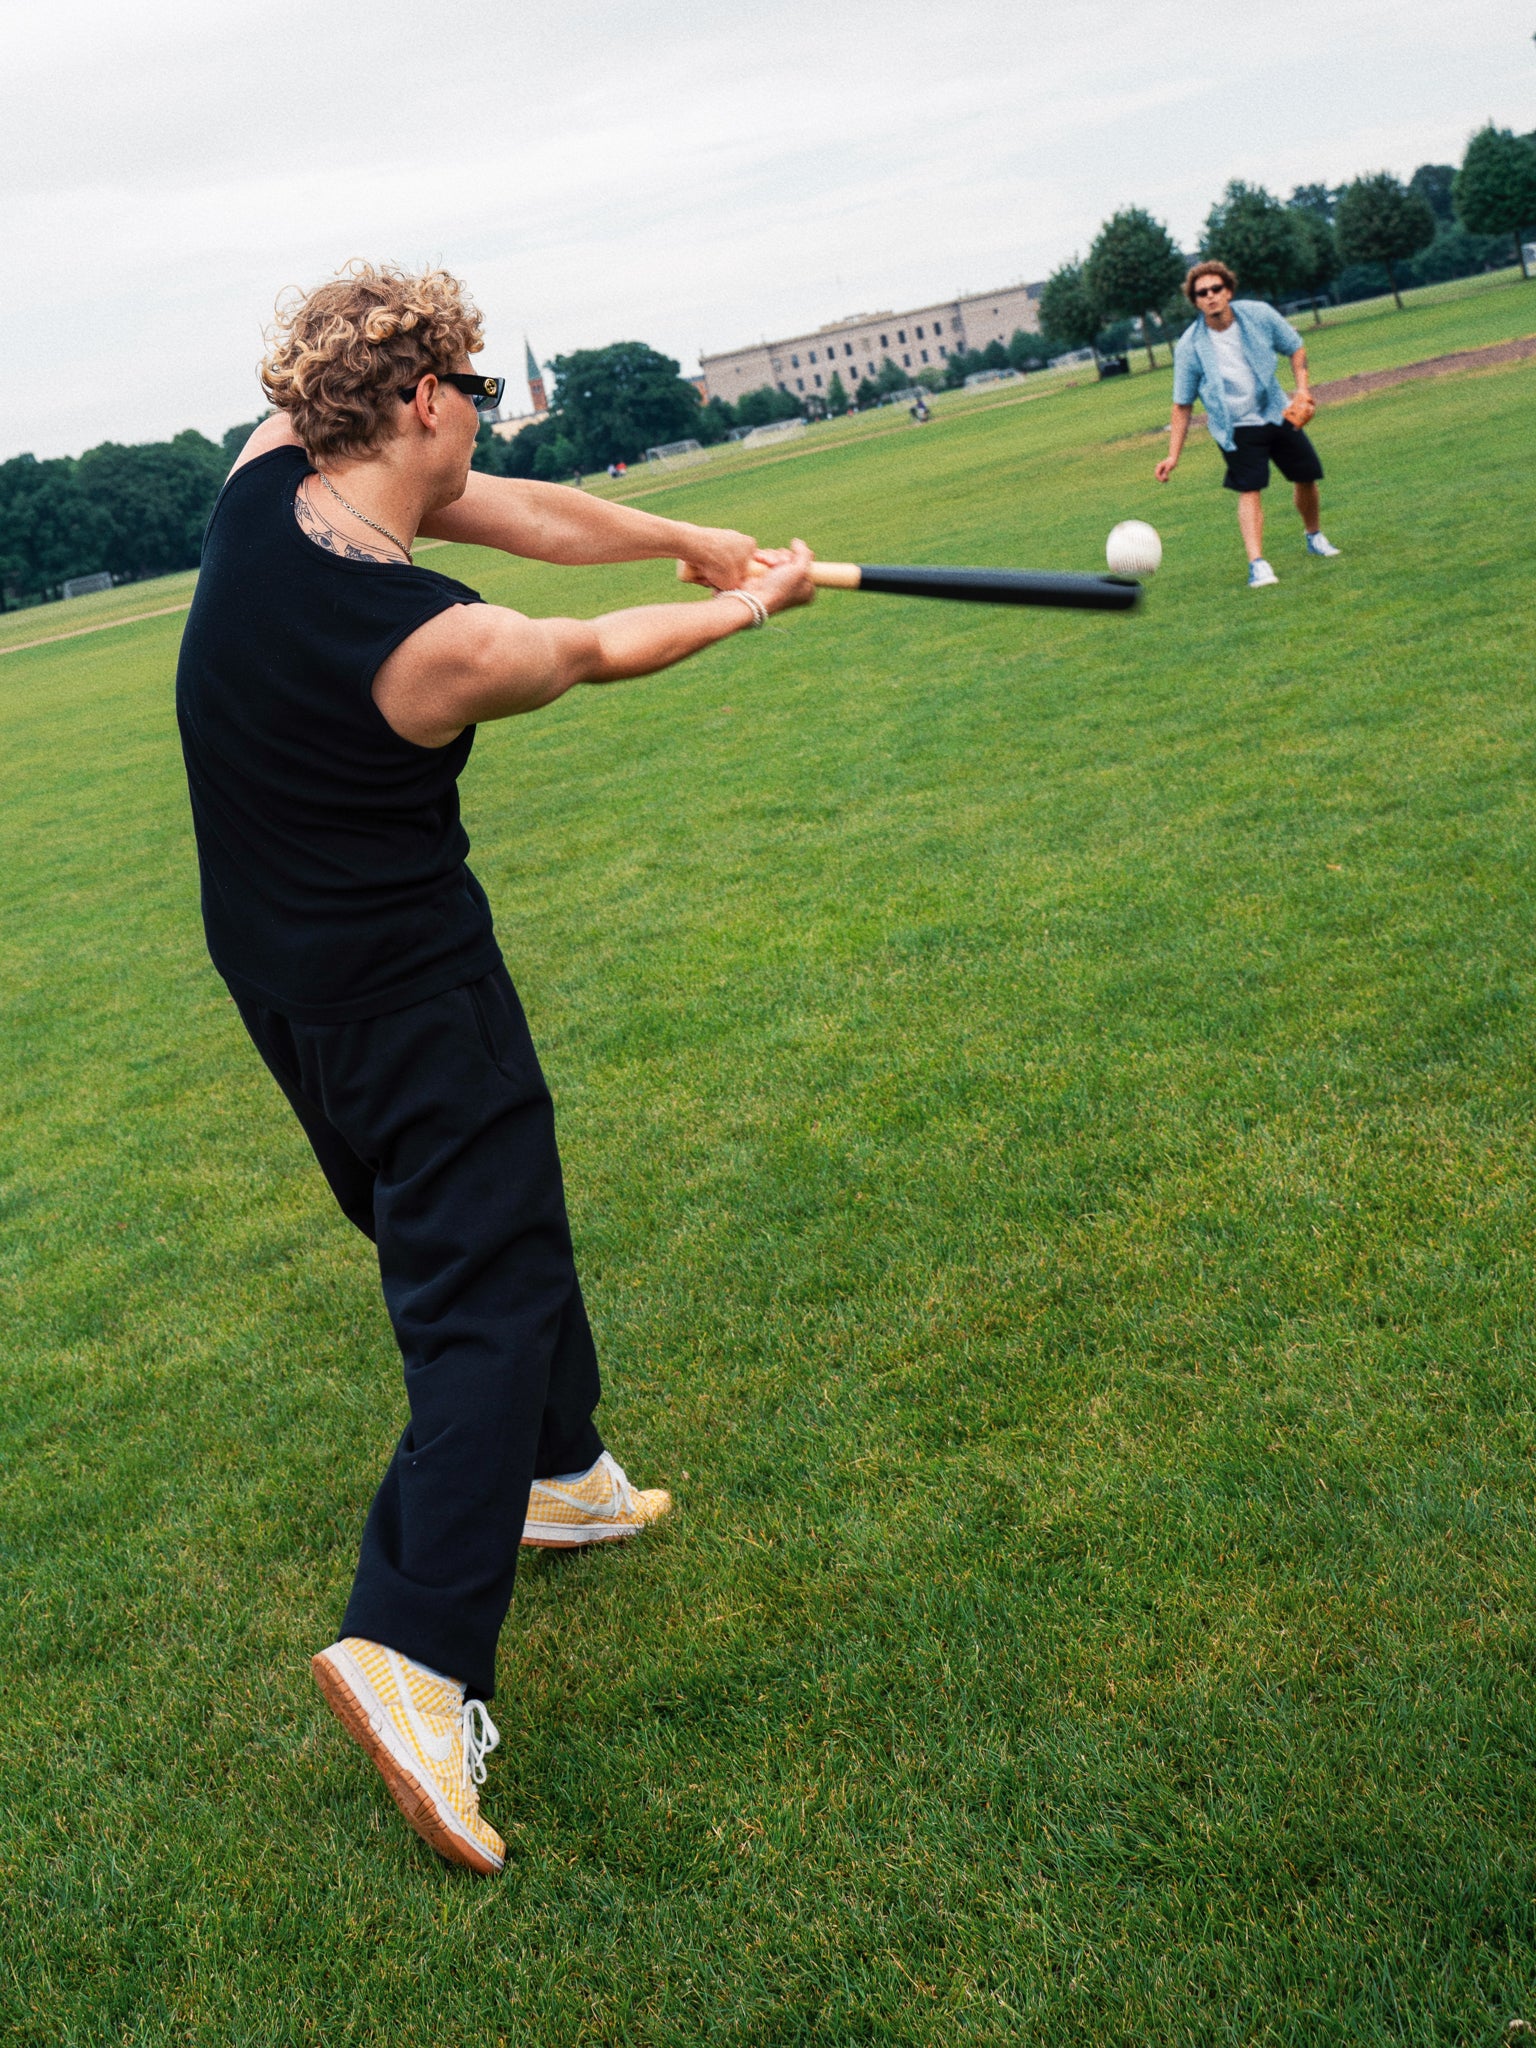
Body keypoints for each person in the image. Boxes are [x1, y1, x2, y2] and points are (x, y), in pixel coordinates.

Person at [175, 263, 815, 1875]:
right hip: (405, 989)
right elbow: (584, 648)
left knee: (476, 1230)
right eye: (465, 379)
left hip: (283, 985)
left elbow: (521, 513)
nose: (478, 403)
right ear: (422, 403)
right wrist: (746, 606)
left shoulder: (267, 479)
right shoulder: (435, 646)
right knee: (483, 1290)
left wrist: (690, 529)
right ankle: (411, 1649)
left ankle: (562, 1473)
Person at [1155, 261, 1341, 588]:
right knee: (1249, 488)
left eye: (1216, 289)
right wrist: (1173, 456)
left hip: (1276, 411)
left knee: (1307, 477)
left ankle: (1314, 536)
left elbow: (1295, 348)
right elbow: (1182, 404)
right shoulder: (1189, 346)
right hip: (1235, 426)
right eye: (1202, 293)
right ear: (1195, 301)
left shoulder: (1258, 315)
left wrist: (1302, 390)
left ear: (1228, 291)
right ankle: (1257, 563)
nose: (1210, 296)